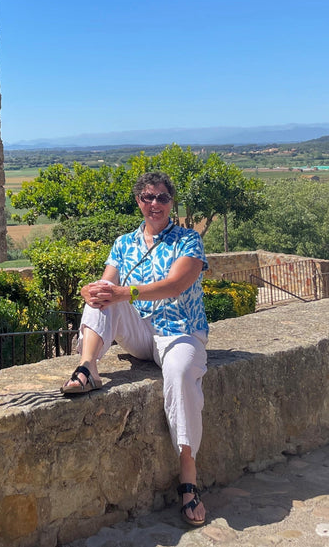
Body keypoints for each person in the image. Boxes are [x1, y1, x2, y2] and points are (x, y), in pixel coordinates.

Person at [61, 170, 209, 527]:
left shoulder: (188, 241)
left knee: (180, 374)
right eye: (148, 197)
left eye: (162, 197)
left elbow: (175, 284)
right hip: (141, 331)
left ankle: (188, 473)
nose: (155, 203)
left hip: (179, 331)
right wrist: (90, 290)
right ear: (138, 201)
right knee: (101, 295)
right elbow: (107, 283)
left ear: (171, 203)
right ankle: (88, 367)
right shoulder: (124, 243)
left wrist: (124, 293)